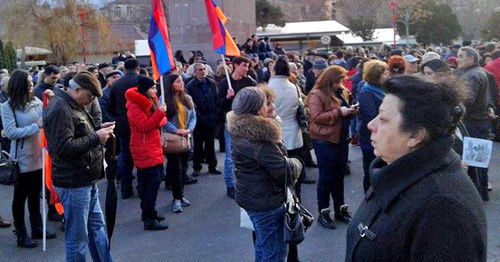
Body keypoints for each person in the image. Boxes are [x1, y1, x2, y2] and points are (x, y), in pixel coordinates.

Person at [345, 75, 487, 261]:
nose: (371, 125)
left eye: (383, 119)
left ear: (416, 135)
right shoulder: (393, 169)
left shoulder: (443, 210)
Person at [227, 86, 303, 262]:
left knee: (263, 245)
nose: (268, 106)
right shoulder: (259, 138)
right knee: (274, 252)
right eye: (265, 103)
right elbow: (285, 172)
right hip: (266, 202)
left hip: (253, 197)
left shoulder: (240, 129)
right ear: (257, 108)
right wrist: (298, 163)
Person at [44, 71, 114, 261]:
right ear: (77, 89)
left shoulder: (70, 104)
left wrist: (98, 131)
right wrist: (96, 137)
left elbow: (76, 136)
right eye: (89, 97)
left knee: (97, 230)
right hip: (74, 182)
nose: (90, 101)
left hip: (84, 179)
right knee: (78, 239)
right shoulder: (61, 108)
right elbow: (63, 148)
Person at [1, 69, 56, 248]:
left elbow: (48, 117)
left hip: (39, 156)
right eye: (28, 82)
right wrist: (35, 126)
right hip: (22, 160)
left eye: (32, 82)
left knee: (35, 195)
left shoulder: (36, 100)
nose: (32, 84)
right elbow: (11, 133)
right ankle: (21, 233)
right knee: (20, 198)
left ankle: (37, 227)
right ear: (19, 85)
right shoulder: (7, 107)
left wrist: (51, 101)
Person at [306, 65, 358, 230]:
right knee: (326, 177)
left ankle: (340, 208)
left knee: (339, 175)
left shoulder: (340, 92)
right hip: (325, 141)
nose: (341, 83)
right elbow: (316, 117)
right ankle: (324, 211)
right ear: (330, 80)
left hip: (340, 139)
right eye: (339, 80)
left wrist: (350, 111)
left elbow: (340, 111)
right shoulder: (316, 94)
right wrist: (340, 113)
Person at [125, 75, 169, 230]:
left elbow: (160, 121)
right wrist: (159, 114)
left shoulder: (150, 101)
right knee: (152, 182)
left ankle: (148, 212)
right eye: (152, 88)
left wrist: (159, 115)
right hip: (143, 147)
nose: (155, 90)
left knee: (149, 182)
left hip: (151, 145)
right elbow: (145, 125)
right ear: (145, 89)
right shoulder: (135, 106)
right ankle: (149, 218)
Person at [453, 47, 492, 201]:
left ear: (471, 59)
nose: (458, 59)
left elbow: (466, 101)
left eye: (461, 56)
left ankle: (477, 195)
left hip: (471, 124)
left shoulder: (472, 76)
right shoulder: (477, 72)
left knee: (473, 163)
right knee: (479, 162)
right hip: (479, 122)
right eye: (457, 56)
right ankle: (481, 192)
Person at [217, 56, 257, 198]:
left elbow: (256, 100)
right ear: (236, 66)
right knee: (230, 156)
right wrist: (227, 98)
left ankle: (246, 183)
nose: (246, 69)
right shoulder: (224, 83)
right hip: (231, 123)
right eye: (244, 66)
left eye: (247, 66)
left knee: (248, 154)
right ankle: (230, 184)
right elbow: (219, 105)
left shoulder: (249, 82)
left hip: (246, 123)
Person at [162, 74, 197, 213]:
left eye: (182, 81)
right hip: (172, 140)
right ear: (171, 84)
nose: (181, 84)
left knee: (183, 168)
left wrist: (189, 129)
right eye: (178, 81)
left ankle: (181, 195)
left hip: (186, 138)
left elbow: (193, 116)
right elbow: (163, 120)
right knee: (175, 168)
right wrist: (177, 131)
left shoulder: (187, 98)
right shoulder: (164, 100)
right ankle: (176, 198)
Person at [109, 58, 140, 199]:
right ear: (138, 68)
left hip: (123, 124)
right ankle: (142, 186)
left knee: (126, 156)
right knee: (142, 155)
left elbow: (111, 107)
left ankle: (126, 189)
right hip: (141, 124)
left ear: (125, 70)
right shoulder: (143, 81)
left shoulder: (116, 85)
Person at [357, 60, 388, 192]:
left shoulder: (380, 89)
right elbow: (370, 116)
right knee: (371, 171)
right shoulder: (366, 92)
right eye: (384, 73)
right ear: (376, 76)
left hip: (382, 137)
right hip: (370, 139)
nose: (387, 76)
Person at [186, 63, 221, 177]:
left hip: (211, 118)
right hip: (199, 120)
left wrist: (215, 113)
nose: (202, 72)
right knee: (198, 145)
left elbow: (216, 98)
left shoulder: (211, 83)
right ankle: (197, 167)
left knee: (210, 144)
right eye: (200, 70)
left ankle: (212, 165)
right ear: (195, 72)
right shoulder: (191, 85)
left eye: (204, 69)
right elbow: (190, 103)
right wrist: (198, 115)